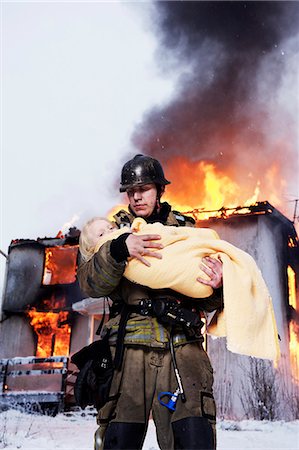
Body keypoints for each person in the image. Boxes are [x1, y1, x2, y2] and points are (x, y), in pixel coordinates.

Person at [77, 154, 224, 450]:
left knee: (194, 440)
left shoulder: (188, 230)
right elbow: (90, 282)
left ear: (159, 189)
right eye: (130, 190)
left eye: (143, 188)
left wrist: (219, 285)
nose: (135, 195)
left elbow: (208, 299)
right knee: (119, 441)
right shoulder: (113, 230)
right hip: (129, 351)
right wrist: (119, 249)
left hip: (182, 349)